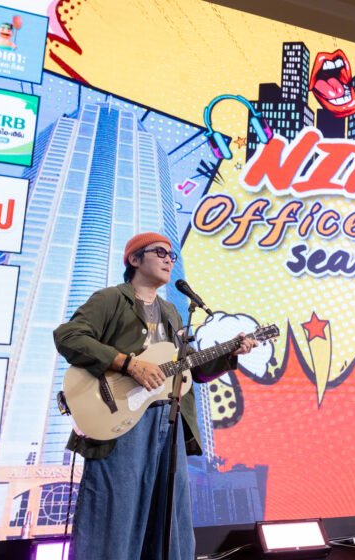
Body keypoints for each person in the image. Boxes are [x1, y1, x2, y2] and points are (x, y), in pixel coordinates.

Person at [53, 232, 257, 560]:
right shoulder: (110, 299)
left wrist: (230, 353)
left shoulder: (170, 312)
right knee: (115, 512)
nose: (168, 259)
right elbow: (69, 336)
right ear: (134, 259)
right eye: (159, 252)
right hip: (122, 420)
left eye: (171, 255)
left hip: (169, 419)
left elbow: (189, 369)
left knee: (169, 515)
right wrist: (128, 364)